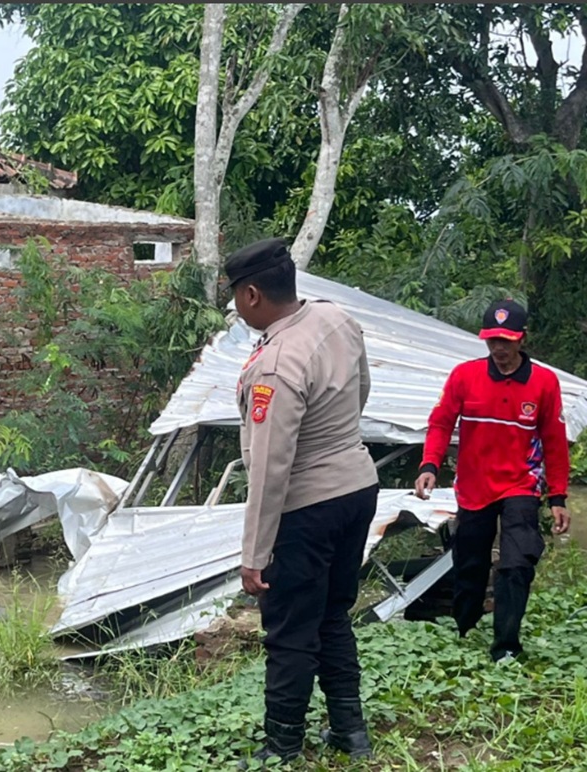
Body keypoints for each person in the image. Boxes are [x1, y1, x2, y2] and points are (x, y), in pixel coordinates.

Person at [225, 238, 380, 765]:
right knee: (333, 613)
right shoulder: (336, 320)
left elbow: (270, 469)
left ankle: (282, 745)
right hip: (357, 487)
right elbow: (361, 393)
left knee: (290, 627)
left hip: (307, 505)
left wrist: (254, 555)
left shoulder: (276, 363)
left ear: (251, 295)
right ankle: (350, 732)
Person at [414, 299, 570, 664]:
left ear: (522, 339)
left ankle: (507, 647)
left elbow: (554, 442)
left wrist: (558, 496)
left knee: (517, 563)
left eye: (507, 340)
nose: (499, 349)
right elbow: (440, 423)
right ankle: (464, 627)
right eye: (492, 341)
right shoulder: (464, 376)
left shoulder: (544, 383)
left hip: (522, 484)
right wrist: (430, 465)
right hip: (473, 486)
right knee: (470, 565)